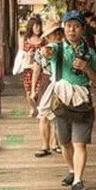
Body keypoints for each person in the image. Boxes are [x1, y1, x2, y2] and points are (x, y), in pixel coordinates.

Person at [41, 10, 96, 190]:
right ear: (64, 28)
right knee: (64, 142)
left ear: (83, 29)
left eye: (76, 26)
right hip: (61, 101)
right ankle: (71, 170)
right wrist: (45, 52)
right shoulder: (56, 48)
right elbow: (47, 53)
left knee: (79, 143)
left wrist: (87, 68)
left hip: (82, 102)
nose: (72, 30)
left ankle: (78, 180)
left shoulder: (90, 53)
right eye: (68, 26)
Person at [31, 20, 63, 158]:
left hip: (62, 81)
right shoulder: (40, 52)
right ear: (47, 37)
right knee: (44, 114)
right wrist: (33, 89)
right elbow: (36, 71)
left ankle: (56, 143)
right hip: (47, 81)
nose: (56, 36)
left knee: (59, 114)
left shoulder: (66, 50)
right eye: (53, 34)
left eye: (58, 33)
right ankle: (45, 145)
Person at [21, 16, 45, 117]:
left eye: (39, 26)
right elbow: (22, 55)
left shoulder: (43, 39)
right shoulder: (26, 40)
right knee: (28, 89)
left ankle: (39, 107)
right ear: (31, 27)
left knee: (38, 89)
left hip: (40, 69)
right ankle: (32, 108)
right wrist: (29, 55)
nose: (38, 28)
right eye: (36, 26)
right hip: (28, 68)